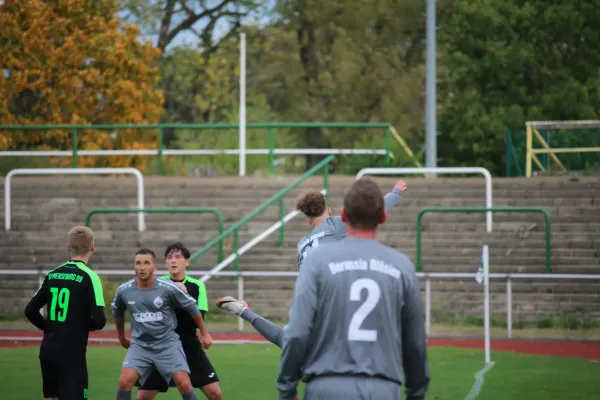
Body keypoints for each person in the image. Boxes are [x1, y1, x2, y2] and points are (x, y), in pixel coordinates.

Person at [277, 177, 430, 400]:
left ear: (345, 215)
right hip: (381, 385)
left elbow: (298, 333)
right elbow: (415, 342)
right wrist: (396, 192)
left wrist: (287, 389)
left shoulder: (305, 248)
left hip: (325, 381)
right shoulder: (400, 266)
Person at [216, 179, 408, 348]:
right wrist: (396, 191)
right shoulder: (336, 224)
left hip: (310, 299)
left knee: (288, 342)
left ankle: (245, 312)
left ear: (308, 219)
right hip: (336, 296)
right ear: (329, 211)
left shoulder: (302, 245)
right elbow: (374, 214)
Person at [112, 248, 213, 400]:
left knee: (184, 384)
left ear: (155, 267)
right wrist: (121, 337)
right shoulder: (124, 290)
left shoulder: (167, 288)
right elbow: (117, 311)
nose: (142, 267)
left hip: (167, 344)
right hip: (141, 345)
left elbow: (192, 307)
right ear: (134, 266)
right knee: (124, 382)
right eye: (138, 263)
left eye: (146, 263)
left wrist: (204, 333)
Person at [24, 226, 106, 400]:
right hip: (71, 354)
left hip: (48, 351)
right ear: (93, 247)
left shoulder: (53, 275)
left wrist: (50, 327)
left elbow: (30, 310)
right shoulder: (90, 277)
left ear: (69, 247)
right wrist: (78, 325)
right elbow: (99, 320)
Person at [137, 243, 222, 400]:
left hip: (189, 345)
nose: (173, 261)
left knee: (215, 394)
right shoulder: (156, 284)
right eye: (169, 257)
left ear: (187, 262)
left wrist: (184, 297)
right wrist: (172, 290)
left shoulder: (197, 286)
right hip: (161, 347)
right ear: (166, 263)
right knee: (143, 397)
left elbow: (198, 318)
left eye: (177, 257)